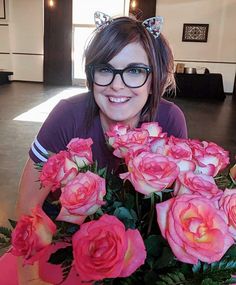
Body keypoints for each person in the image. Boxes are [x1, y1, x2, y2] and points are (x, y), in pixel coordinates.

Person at [0, 12, 187, 285]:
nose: (116, 84)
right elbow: (29, 206)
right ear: (91, 73)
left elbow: (175, 209)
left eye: (135, 70)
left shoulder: (170, 119)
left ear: (154, 77)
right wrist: (29, 280)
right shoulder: (67, 116)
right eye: (105, 69)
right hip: (66, 236)